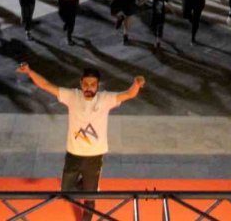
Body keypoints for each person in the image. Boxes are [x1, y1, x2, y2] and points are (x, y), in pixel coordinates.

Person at [16, 64, 145, 221]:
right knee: (65, 191)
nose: (88, 88)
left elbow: (129, 94)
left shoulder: (105, 99)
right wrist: (30, 71)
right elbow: (46, 85)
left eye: (92, 84)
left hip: (94, 156)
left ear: (98, 85)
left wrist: (137, 84)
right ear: (80, 83)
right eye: (85, 84)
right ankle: (88, 185)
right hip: (73, 154)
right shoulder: (72, 96)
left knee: (89, 197)